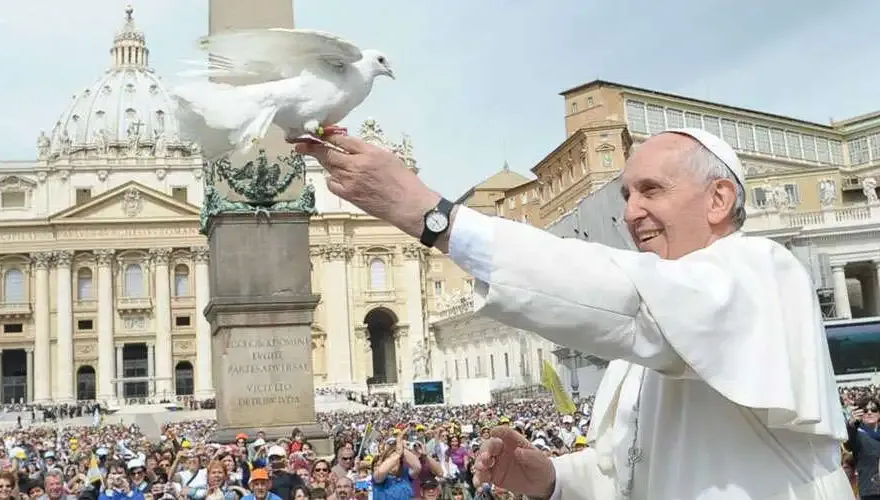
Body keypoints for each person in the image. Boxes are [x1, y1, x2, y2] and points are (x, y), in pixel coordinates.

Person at [298, 128, 853, 499]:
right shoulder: (642, 351)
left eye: (651, 191)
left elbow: (626, 296)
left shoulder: (761, 270)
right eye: (626, 195)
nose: (632, 212)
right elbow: (625, 470)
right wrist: (554, 477)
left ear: (718, 200)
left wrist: (433, 216)